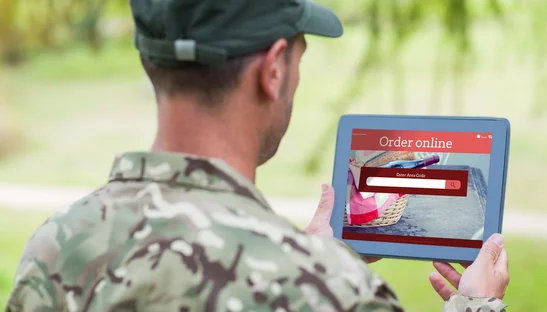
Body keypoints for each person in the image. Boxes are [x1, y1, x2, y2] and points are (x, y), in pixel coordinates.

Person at [5, 0, 509, 311]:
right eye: (298, 57)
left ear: (149, 58)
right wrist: (475, 305)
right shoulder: (331, 291)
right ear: (273, 71)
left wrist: (313, 252)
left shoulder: (56, 248)